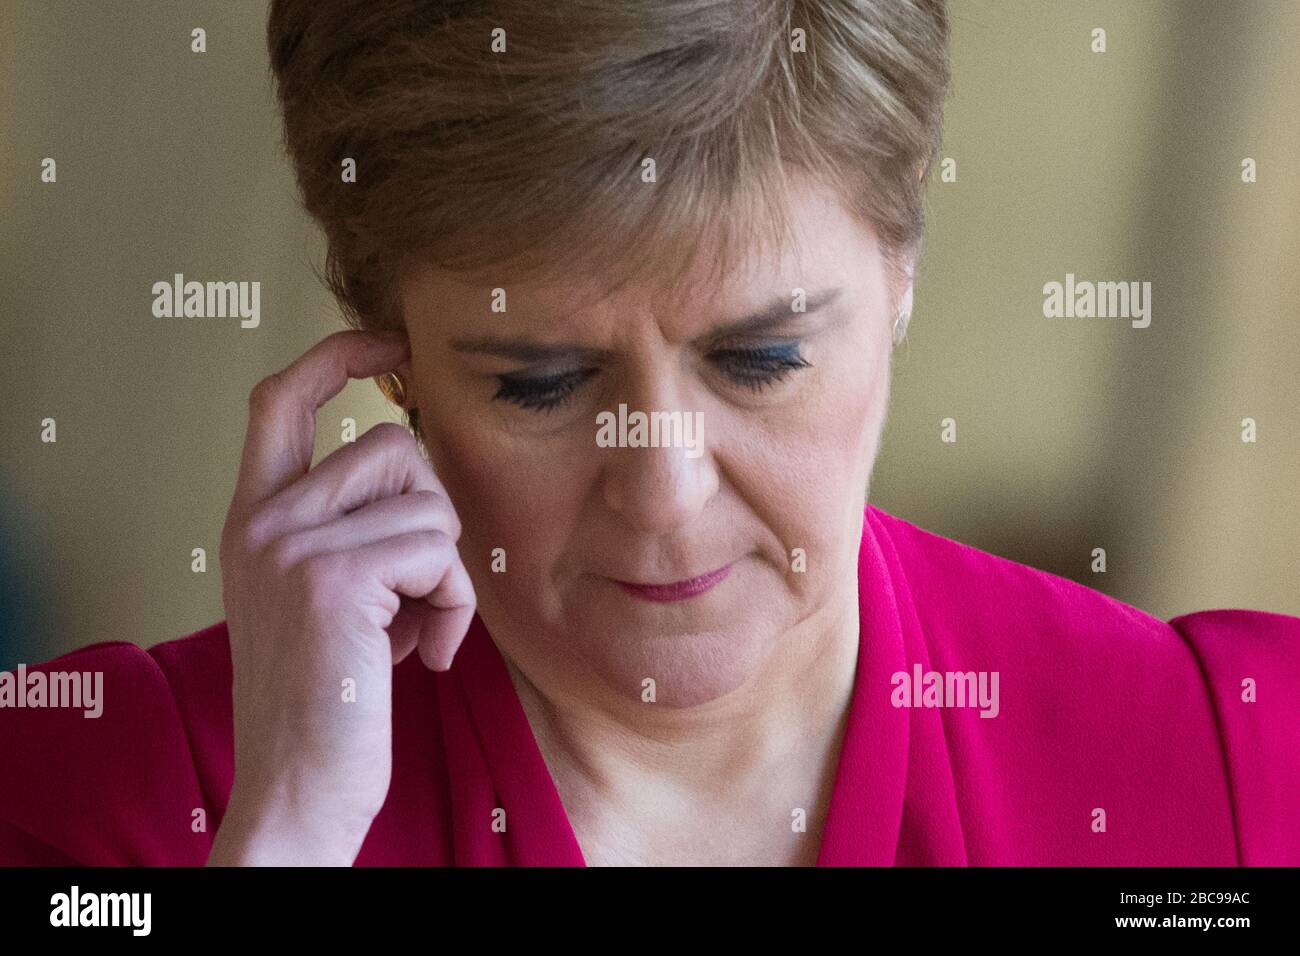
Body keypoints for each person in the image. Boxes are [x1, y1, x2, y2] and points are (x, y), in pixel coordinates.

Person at [1, 0, 1296, 867]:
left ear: (903, 272)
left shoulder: (1238, 764)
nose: (664, 493)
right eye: (541, 384)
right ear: (383, 356)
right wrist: (282, 833)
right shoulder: (104, 793)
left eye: (762, 359)